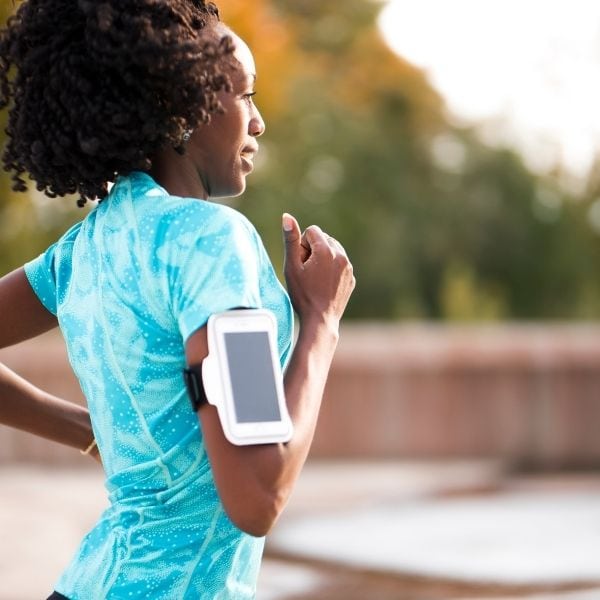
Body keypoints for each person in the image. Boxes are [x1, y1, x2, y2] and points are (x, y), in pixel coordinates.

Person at [0, 1, 355, 598]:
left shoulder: (85, 246)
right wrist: (320, 322)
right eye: (246, 95)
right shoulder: (212, 244)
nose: (259, 122)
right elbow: (257, 494)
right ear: (180, 109)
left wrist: (93, 434)